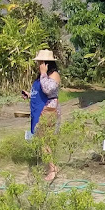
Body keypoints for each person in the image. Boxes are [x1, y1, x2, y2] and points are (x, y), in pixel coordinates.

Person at [22, 49, 61, 181]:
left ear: (47, 63)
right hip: (37, 110)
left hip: (47, 112)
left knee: (44, 141)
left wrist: (43, 73)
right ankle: (48, 165)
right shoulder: (42, 76)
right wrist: (29, 94)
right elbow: (40, 91)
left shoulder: (53, 75)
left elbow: (48, 89)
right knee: (41, 141)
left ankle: (52, 168)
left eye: (40, 62)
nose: (38, 64)